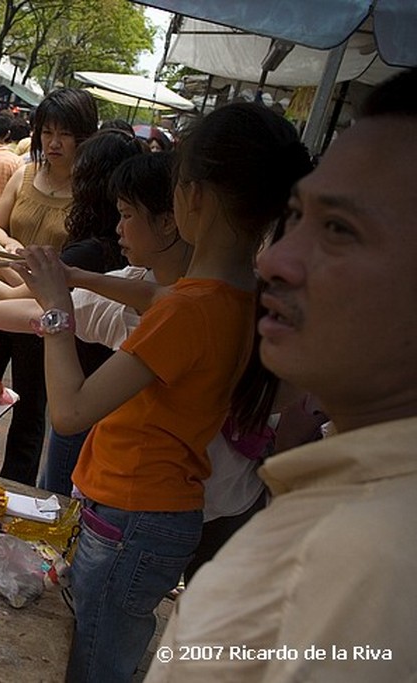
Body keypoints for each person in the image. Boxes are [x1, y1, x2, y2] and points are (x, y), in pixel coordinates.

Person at [13, 102, 311, 683]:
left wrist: (55, 311)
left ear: (193, 195)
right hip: (158, 514)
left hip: (131, 517)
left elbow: (71, 412)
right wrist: (73, 277)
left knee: (94, 666)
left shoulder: (190, 308)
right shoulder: (240, 293)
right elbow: (159, 302)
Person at [144, 68, 417, 683]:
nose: (276, 261)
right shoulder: (341, 512)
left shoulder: (372, 565)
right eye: (296, 217)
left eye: (341, 230)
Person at [0, 87, 98, 485]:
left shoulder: (89, 196)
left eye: (64, 134)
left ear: (84, 136)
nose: (53, 143)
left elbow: (68, 269)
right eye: (46, 131)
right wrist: (10, 244)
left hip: (41, 315)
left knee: (31, 408)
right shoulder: (26, 172)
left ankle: (14, 488)